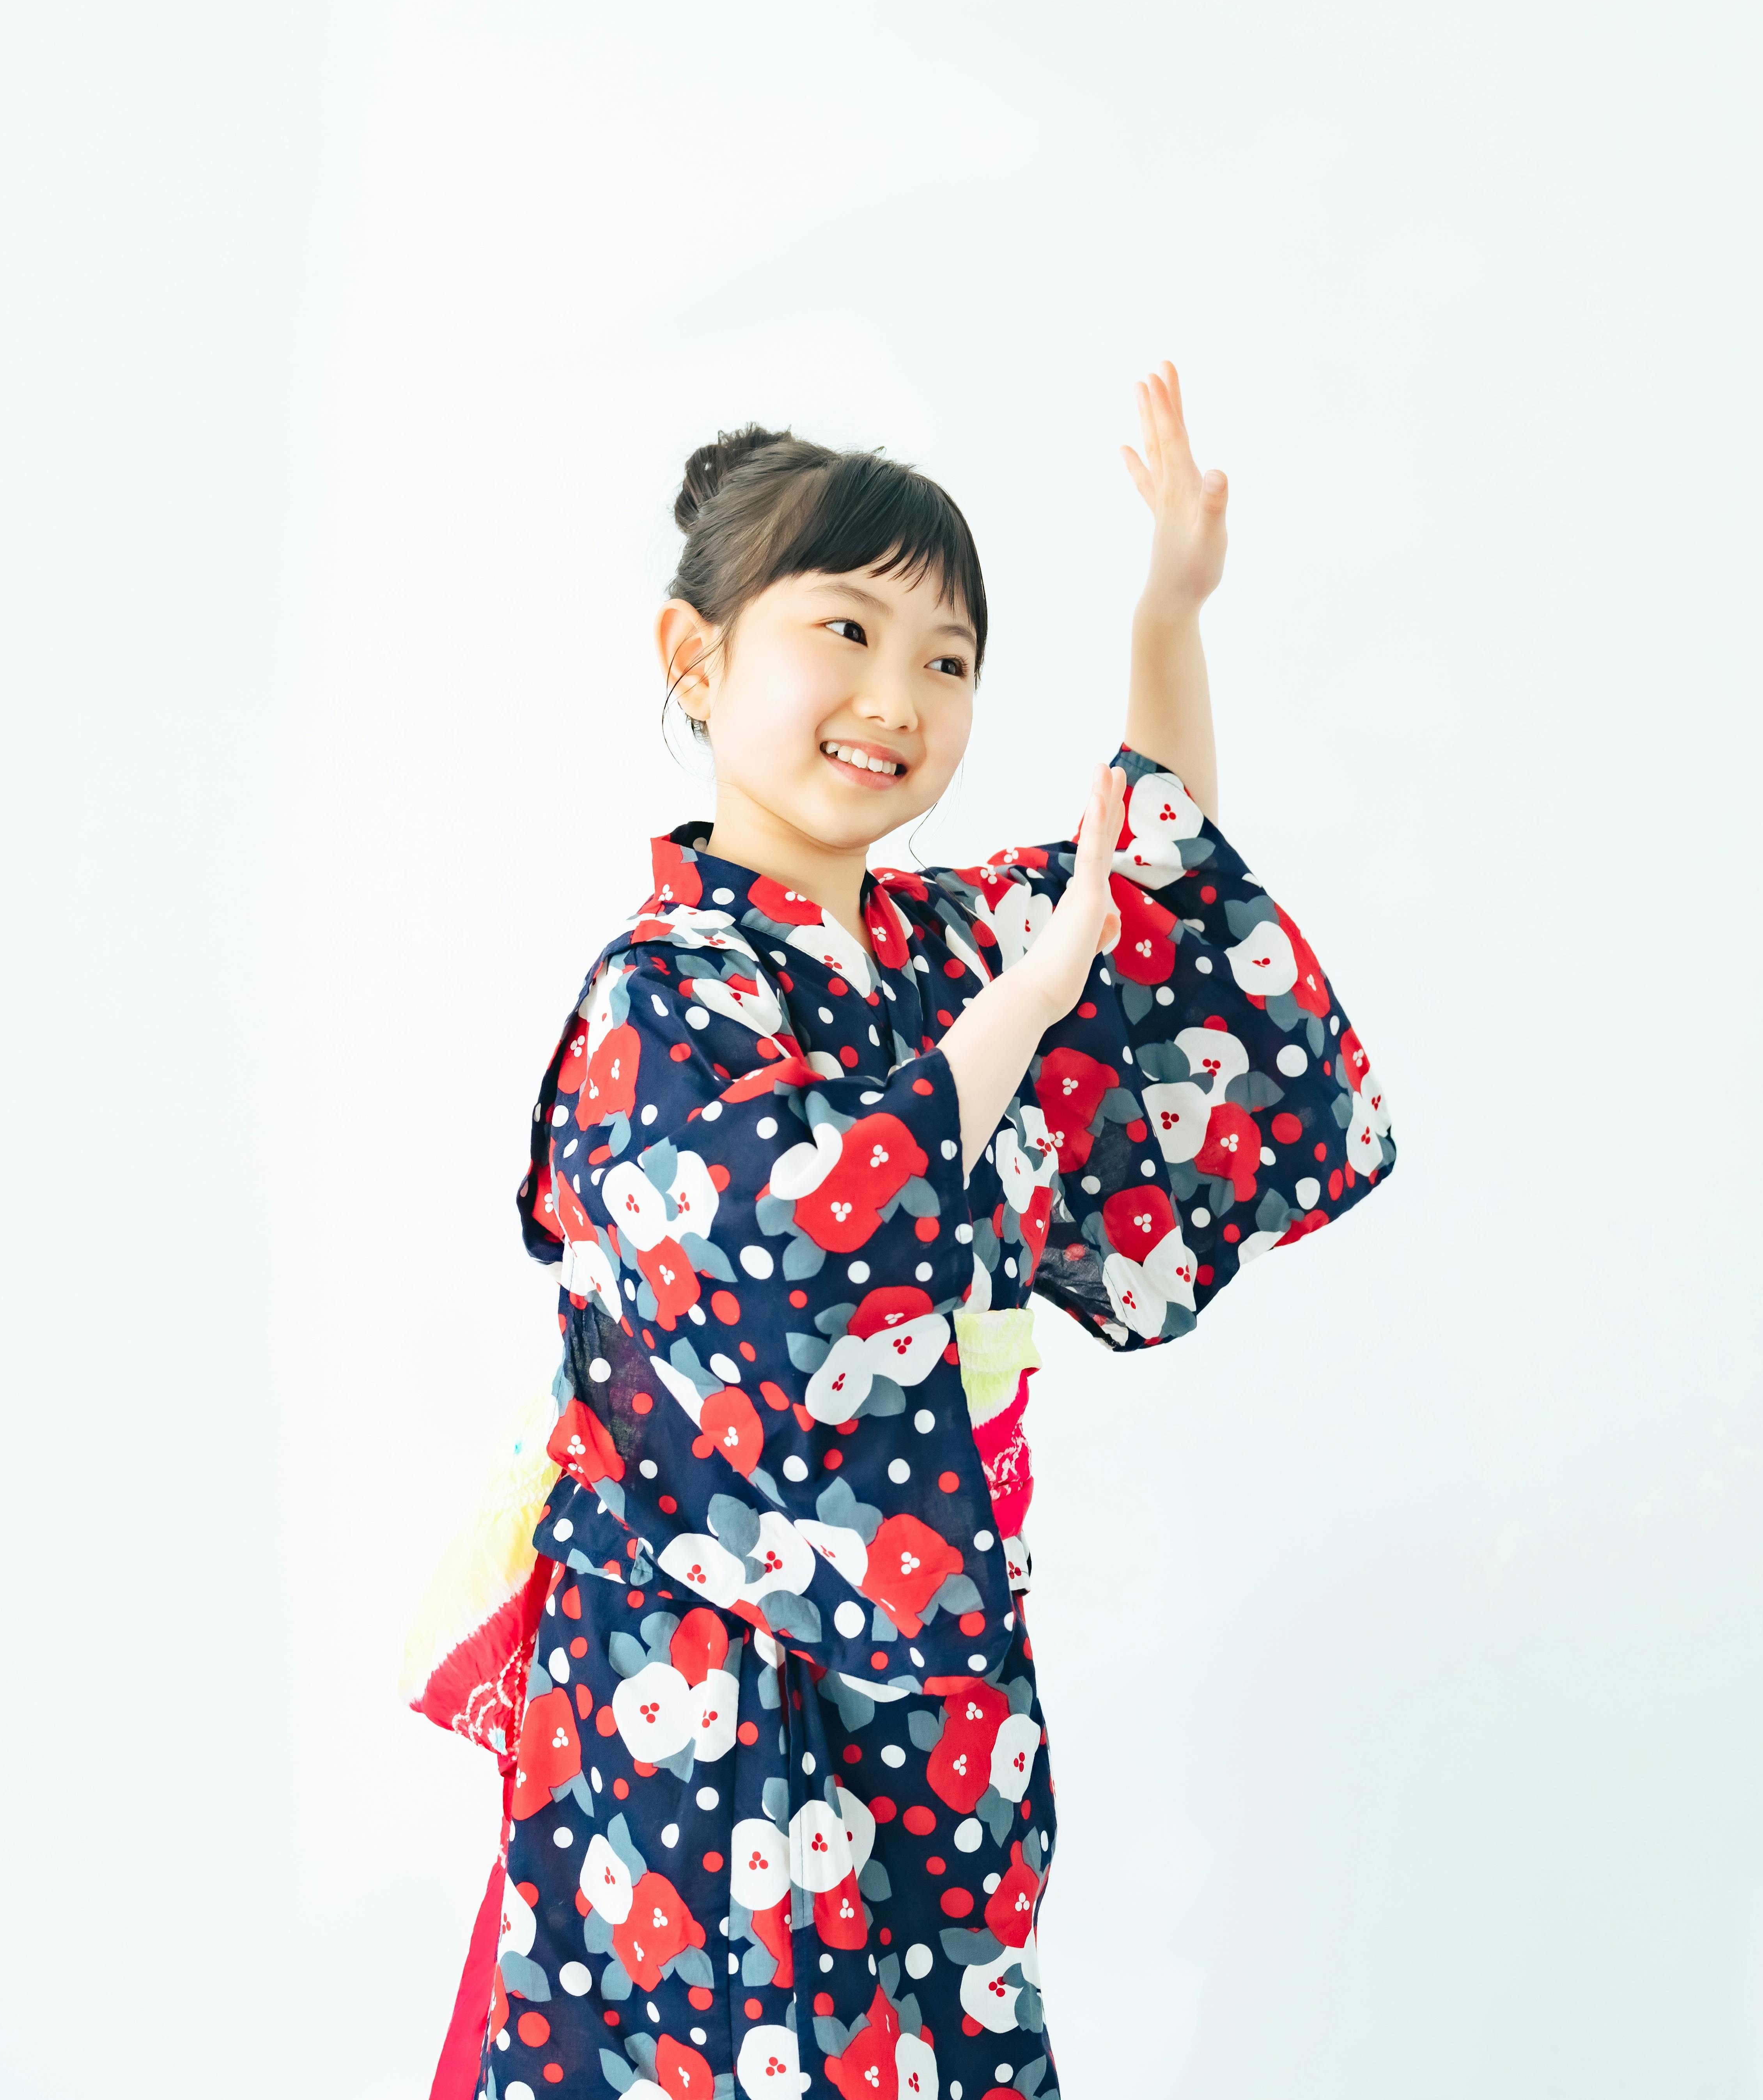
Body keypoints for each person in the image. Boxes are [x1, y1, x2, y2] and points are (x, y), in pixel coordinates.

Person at [411, 367, 1398, 2099]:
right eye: (844, 634)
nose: (898, 697)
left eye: (946, 659)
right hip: (702, 1682)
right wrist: (1028, 997)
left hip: (926, 1661)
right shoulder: (666, 990)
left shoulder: (943, 943)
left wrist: (1168, 609)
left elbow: (1148, 877)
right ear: (696, 658)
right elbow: (810, 1225)